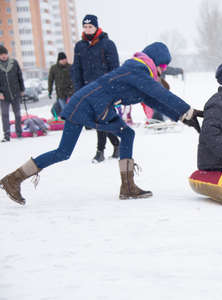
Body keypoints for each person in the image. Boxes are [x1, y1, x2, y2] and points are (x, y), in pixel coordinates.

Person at [0, 42, 203, 205]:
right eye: (163, 66)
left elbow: (153, 99)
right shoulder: (136, 70)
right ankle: (13, 179)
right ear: (156, 62)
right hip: (87, 105)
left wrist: (183, 116)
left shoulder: (138, 72)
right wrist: (187, 110)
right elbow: (160, 93)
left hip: (93, 105)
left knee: (123, 135)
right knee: (64, 151)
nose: (162, 71)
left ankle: (127, 186)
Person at [72, 14, 120, 162]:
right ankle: (117, 144)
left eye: (90, 27)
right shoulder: (80, 46)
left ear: (96, 27)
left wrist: (115, 89)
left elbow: (115, 68)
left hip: (105, 88)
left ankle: (100, 151)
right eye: (85, 27)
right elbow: (77, 69)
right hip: (88, 89)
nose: (87, 29)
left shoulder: (107, 44)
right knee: (101, 120)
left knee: (101, 120)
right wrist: (78, 90)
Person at [0, 45, 25, 142]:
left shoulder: (14, 63)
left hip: (15, 93)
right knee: (5, 114)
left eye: (5, 54)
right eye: (1, 54)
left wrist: (22, 89)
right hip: (3, 95)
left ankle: (19, 133)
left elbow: (20, 76)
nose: (3, 56)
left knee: (18, 114)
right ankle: (7, 135)